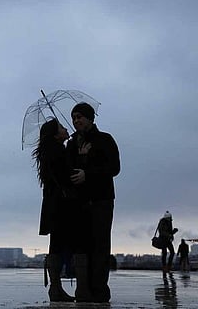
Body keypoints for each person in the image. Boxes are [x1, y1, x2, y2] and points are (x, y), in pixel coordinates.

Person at [66, 102, 120, 303]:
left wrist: (88, 173)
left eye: (79, 116)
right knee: (83, 246)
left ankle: (99, 290)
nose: (76, 120)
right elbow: (68, 171)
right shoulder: (72, 145)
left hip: (101, 200)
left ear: (90, 118)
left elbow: (114, 168)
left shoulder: (105, 140)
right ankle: (86, 289)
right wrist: (80, 158)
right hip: (80, 202)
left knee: (100, 246)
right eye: (73, 117)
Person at [32, 118, 76, 302]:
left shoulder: (49, 153)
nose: (67, 128)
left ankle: (55, 287)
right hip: (62, 204)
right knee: (60, 244)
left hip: (52, 204)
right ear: (56, 134)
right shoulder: (59, 152)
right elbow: (69, 175)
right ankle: (57, 288)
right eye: (62, 127)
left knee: (56, 244)